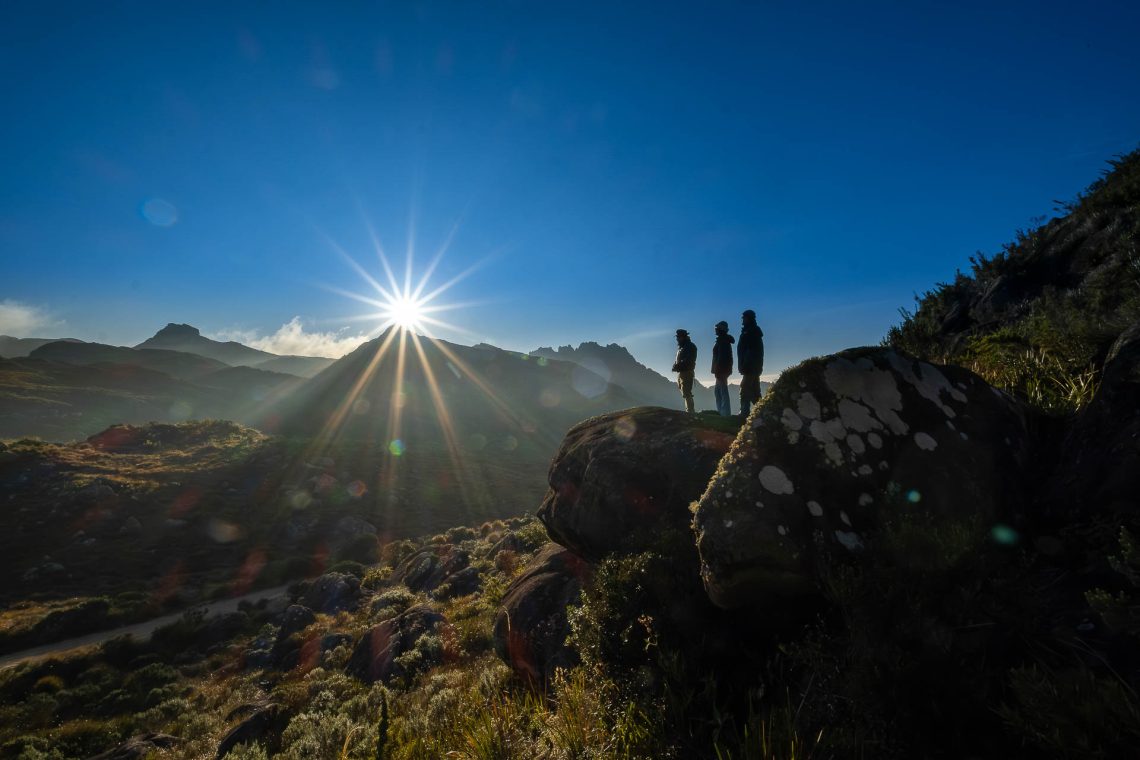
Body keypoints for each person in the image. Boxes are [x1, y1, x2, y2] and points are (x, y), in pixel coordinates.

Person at [737, 309, 764, 417]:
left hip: (750, 366)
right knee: (755, 392)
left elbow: (750, 351)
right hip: (753, 366)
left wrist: (745, 365)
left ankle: (744, 413)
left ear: (748, 318)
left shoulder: (751, 332)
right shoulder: (751, 331)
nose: (742, 320)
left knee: (744, 388)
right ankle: (763, 412)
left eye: (744, 317)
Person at [711, 320, 735, 417]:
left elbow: (722, 358)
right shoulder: (723, 340)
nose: (715, 330)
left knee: (722, 391)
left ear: (721, 330)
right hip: (722, 370)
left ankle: (725, 414)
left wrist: (718, 370)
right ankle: (722, 412)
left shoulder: (723, 341)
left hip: (721, 371)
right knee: (718, 391)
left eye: (716, 329)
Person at [671, 328, 697, 413]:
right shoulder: (682, 347)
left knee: (687, 392)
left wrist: (677, 365)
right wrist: (675, 365)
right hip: (682, 372)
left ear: (683, 337)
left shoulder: (690, 346)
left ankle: (690, 412)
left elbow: (689, 360)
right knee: (685, 392)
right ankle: (689, 411)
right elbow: (680, 359)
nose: (677, 339)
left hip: (687, 372)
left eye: (678, 337)